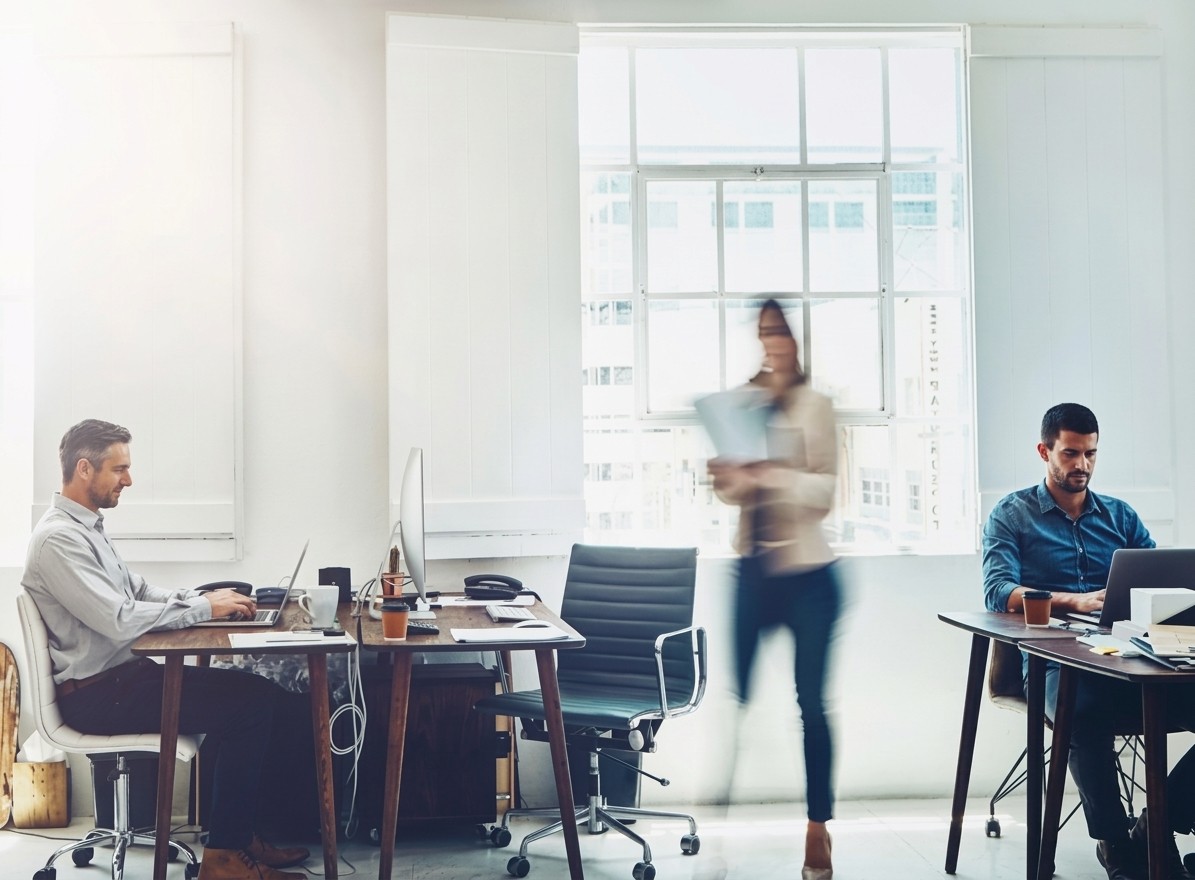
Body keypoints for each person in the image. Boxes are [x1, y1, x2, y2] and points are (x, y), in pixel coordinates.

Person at [21, 419, 312, 880]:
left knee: (262, 694)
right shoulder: (58, 540)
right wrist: (202, 608)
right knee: (250, 705)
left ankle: (237, 838)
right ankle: (223, 860)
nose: (129, 479)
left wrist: (205, 601)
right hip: (97, 696)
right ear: (84, 468)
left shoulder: (86, 528)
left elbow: (138, 591)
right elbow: (118, 618)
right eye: (119, 469)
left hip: (123, 681)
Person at [983, 402, 1195, 880]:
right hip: (1055, 662)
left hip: (1129, 657)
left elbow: (1160, 579)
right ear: (1045, 452)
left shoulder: (1119, 516)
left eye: (1091, 454)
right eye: (1071, 453)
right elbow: (998, 590)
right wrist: (1073, 601)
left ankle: (1159, 824)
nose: (1082, 464)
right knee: (1083, 714)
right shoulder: (1012, 515)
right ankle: (1116, 844)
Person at [708, 299, 842, 880]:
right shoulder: (743, 400)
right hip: (754, 570)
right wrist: (729, 478)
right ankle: (721, 814)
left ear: (793, 336)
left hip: (810, 576)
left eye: (779, 330)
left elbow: (824, 493)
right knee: (737, 695)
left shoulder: (816, 406)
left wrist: (771, 474)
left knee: (810, 703)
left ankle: (818, 827)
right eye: (763, 331)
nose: (772, 340)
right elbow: (733, 493)